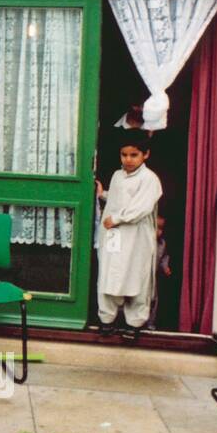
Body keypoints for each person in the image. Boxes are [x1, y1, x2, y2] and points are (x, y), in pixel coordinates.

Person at [95, 132, 163, 331]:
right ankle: (107, 319)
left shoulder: (149, 179)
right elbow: (119, 199)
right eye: (124, 155)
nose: (128, 159)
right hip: (114, 234)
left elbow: (141, 207)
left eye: (134, 155)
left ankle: (135, 322)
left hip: (136, 234)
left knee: (136, 274)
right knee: (110, 272)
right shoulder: (118, 175)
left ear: (145, 154)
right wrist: (103, 195)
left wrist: (116, 219)